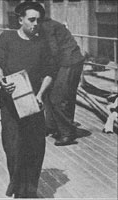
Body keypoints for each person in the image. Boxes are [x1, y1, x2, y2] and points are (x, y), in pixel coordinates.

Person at [0, 2, 55, 198]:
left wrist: (40, 95)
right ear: (20, 19)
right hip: (10, 103)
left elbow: (50, 72)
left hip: (33, 104)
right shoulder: (7, 38)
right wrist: (1, 80)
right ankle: (18, 187)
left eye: (38, 20)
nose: (36, 24)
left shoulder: (42, 43)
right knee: (13, 147)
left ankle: (30, 191)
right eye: (31, 19)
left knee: (34, 147)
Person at [39, 17, 85, 146]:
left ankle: (67, 133)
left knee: (58, 98)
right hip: (67, 61)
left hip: (69, 62)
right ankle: (53, 126)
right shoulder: (47, 24)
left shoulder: (46, 26)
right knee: (51, 94)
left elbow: (53, 50)